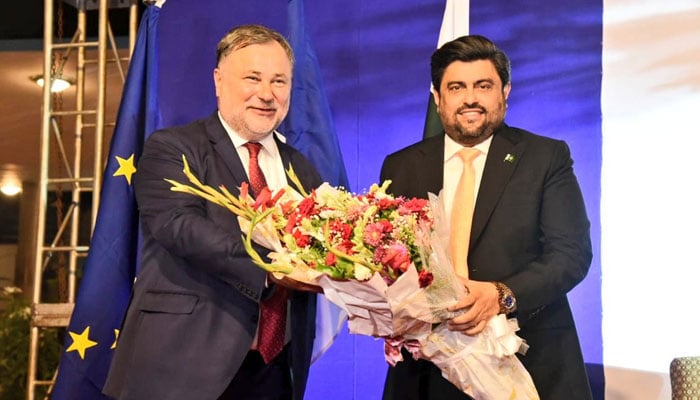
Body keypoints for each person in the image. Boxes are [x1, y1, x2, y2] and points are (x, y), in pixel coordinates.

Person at [103, 24, 322, 400]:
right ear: (219, 81)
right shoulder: (173, 148)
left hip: (274, 369)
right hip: (182, 364)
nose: (267, 94)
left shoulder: (301, 168)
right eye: (252, 78)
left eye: (279, 81)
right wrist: (272, 270)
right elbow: (180, 226)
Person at [380, 35, 593, 399]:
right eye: (457, 87)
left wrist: (502, 295)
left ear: (505, 91)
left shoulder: (545, 157)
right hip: (427, 372)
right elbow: (384, 259)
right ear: (437, 97)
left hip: (526, 361)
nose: (470, 98)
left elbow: (570, 256)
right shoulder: (400, 166)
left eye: (484, 85)